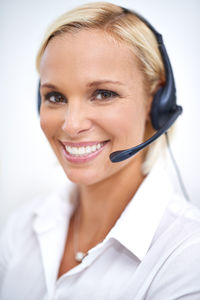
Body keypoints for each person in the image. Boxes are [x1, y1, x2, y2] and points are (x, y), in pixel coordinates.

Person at [1, 2, 200, 299]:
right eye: (55, 96)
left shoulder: (188, 254)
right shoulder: (23, 227)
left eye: (103, 94)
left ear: (156, 103)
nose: (71, 124)